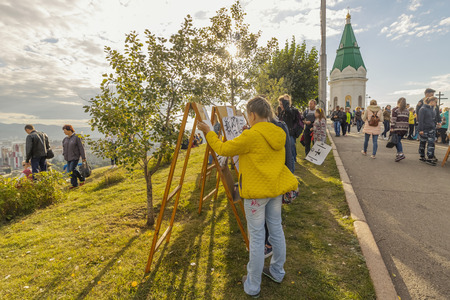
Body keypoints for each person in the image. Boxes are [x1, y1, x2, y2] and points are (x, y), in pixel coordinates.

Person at [197, 96, 298, 298]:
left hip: (255, 194)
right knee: (276, 229)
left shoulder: (251, 135)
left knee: (258, 237)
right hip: (275, 189)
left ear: (251, 114)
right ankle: (277, 271)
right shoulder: (278, 131)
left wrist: (209, 133)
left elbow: (223, 149)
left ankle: (253, 285)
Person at [278, 94, 301, 164]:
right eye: (282, 102)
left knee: (291, 147)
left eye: (285, 101)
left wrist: (294, 132)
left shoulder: (292, 110)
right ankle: (289, 161)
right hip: (283, 132)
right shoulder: (281, 111)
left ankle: (293, 161)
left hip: (291, 133)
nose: (283, 104)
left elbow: (293, 117)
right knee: (287, 148)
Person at [62, 124, 87, 189]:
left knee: (72, 169)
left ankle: (82, 178)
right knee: (70, 171)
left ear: (69, 130)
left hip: (75, 157)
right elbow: (64, 148)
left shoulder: (77, 137)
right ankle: (74, 184)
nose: (64, 132)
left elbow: (81, 147)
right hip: (68, 157)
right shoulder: (65, 139)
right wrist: (64, 154)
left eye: (65, 130)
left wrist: (83, 157)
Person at [418, 97, 438, 166]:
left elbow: (434, 119)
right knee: (422, 143)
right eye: (435, 102)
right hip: (424, 129)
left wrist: (436, 124)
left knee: (431, 144)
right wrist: (420, 130)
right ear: (431, 101)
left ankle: (430, 158)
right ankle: (422, 155)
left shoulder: (433, 110)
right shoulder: (423, 109)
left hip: (432, 129)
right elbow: (420, 120)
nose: (436, 103)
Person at [390, 98, 409, 162]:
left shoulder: (395, 110)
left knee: (397, 141)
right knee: (398, 140)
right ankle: (398, 154)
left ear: (398, 102)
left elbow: (393, 119)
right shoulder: (407, 110)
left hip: (397, 127)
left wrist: (392, 127)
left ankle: (400, 153)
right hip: (405, 128)